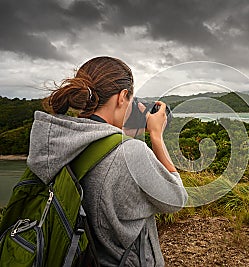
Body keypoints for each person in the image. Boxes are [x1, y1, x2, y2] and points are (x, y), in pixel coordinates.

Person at [27, 56, 188, 266]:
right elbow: (177, 198)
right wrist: (156, 137)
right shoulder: (130, 153)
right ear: (122, 97)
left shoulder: (59, 144)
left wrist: (122, 134)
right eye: (130, 99)